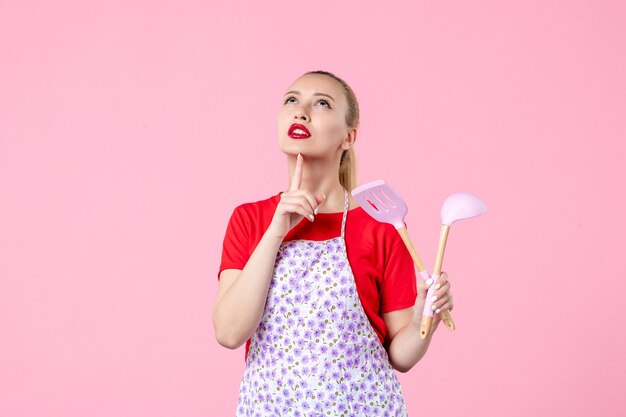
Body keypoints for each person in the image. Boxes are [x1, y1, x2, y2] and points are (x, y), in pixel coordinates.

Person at [213, 70, 455, 416]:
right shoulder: (249, 220)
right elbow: (229, 332)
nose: (301, 112)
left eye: (322, 104)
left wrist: (424, 313)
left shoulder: (382, 227)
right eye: (291, 100)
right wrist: (275, 232)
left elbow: (401, 357)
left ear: (348, 137)